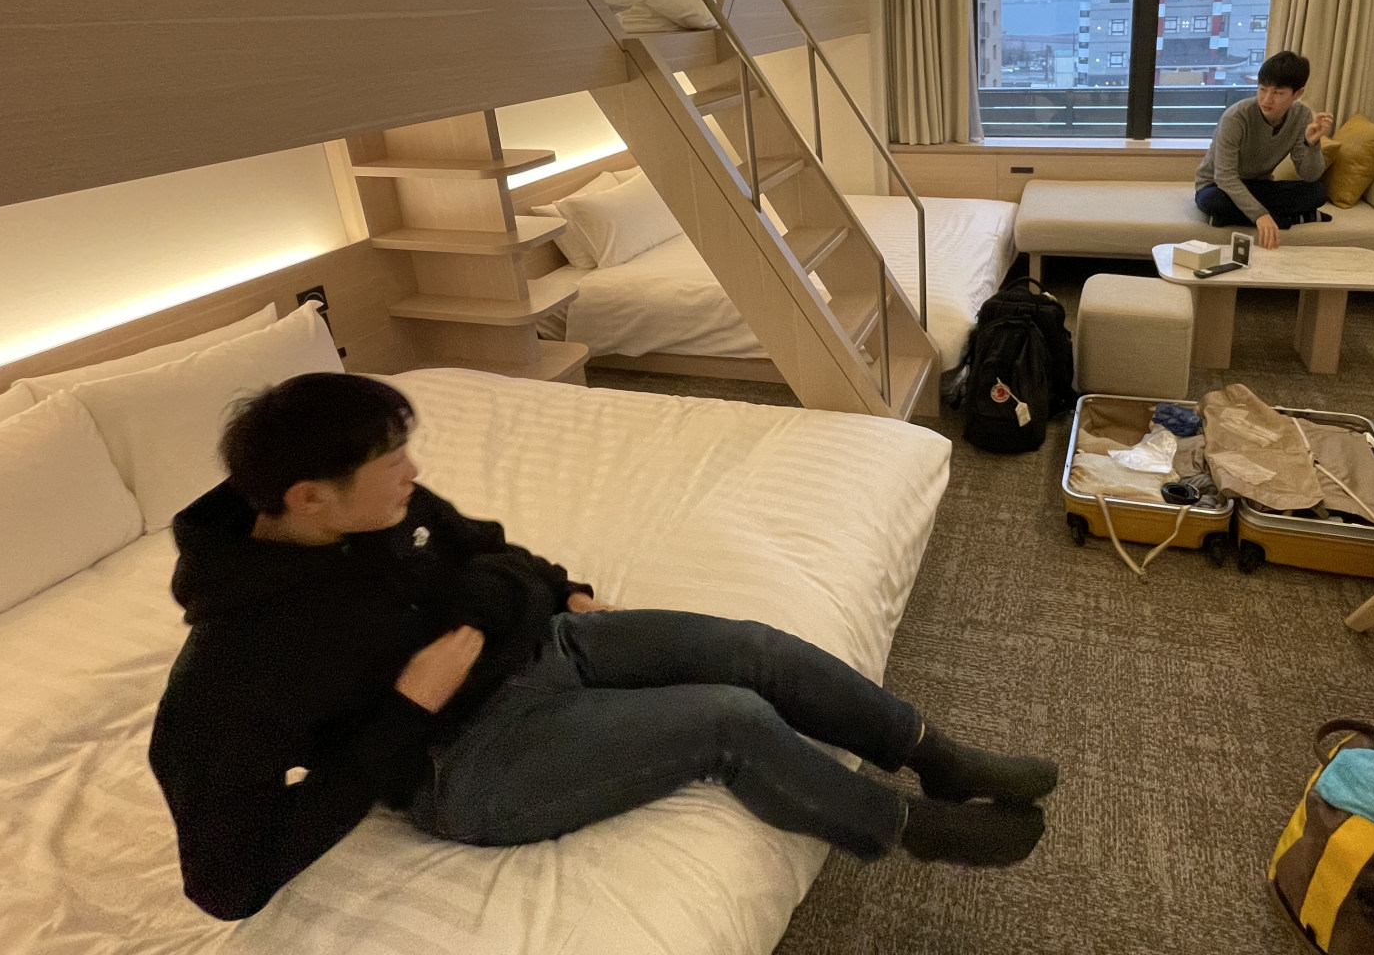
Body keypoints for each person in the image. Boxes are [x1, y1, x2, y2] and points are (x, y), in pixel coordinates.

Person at [150, 373, 1056, 921]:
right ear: (308, 498)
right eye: (392, 463)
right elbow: (228, 882)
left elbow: (478, 544)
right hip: (459, 761)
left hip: (540, 649)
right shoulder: (237, 664)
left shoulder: (376, 510)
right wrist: (405, 708)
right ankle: (907, 828)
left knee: (753, 646)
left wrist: (561, 587)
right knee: (729, 719)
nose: (413, 474)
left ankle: (934, 756)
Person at [1193, 50, 1334, 250]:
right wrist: (1260, 215)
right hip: (1216, 186)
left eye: (1278, 93)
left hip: (1259, 186)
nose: (1267, 99)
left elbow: (1310, 175)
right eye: (1262, 89)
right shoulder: (1237, 117)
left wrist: (1311, 144)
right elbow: (1224, 176)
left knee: (1317, 192)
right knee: (1214, 202)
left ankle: (1226, 218)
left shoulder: (1302, 117)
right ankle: (1291, 219)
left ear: (1298, 93)